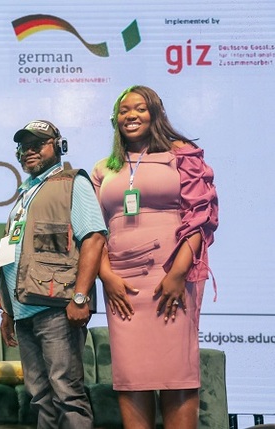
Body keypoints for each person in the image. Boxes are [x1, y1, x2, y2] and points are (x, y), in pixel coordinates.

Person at [91, 85, 218, 428]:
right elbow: (92, 232)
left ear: (156, 113)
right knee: (132, 374)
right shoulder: (104, 168)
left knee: (176, 370)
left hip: (171, 276)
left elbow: (200, 218)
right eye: (124, 110)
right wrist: (106, 276)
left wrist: (178, 274)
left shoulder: (183, 155)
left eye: (140, 109)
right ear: (115, 119)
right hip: (122, 282)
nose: (131, 115)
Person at [0, 120, 106, 429]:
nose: (28, 151)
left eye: (37, 145)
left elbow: (94, 239)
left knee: (66, 394)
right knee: (40, 396)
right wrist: (7, 311)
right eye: (23, 146)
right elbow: (12, 252)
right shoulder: (24, 195)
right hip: (24, 312)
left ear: (59, 146)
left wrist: (81, 296)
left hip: (58, 309)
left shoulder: (73, 182)